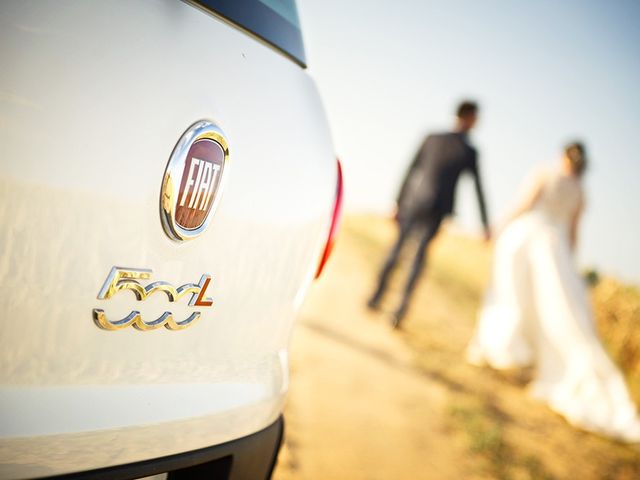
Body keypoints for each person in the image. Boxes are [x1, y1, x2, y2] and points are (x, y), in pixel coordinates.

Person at [467, 142, 640, 442]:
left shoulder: (544, 173)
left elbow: (523, 204)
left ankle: (506, 351)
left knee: (513, 297)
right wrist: (569, 265)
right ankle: (519, 356)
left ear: (564, 155)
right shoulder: (580, 192)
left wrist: (497, 226)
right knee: (554, 310)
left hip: (526, 238)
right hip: (554, 248)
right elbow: (573, 233)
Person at [368, 101, 490, 328]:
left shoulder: (468, 151)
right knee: (397, 252)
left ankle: (398, 311)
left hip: (433, 211)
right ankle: (376, 298)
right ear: (468, 117)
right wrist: (397, 201)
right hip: (414, 205)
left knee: (416, 260)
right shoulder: (433, 138)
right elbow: (411, 168)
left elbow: (477, 187)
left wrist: (485, 224)